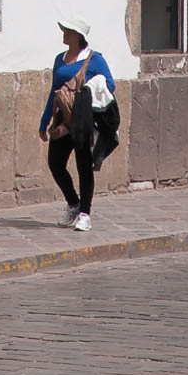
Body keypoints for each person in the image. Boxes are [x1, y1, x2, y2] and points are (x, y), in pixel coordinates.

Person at [38, 15, 114, 232]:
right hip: (63, 118)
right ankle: (73, 203)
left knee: (83, 166)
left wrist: (85, 90)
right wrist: (45, 123)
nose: (65, 34)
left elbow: (109, 84)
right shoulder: (59, 59)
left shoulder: (94, 59)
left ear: (78, 36)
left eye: (68, 31)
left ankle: (85, 214)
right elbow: (54, 94)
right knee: (55, 162)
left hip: (82, 118)